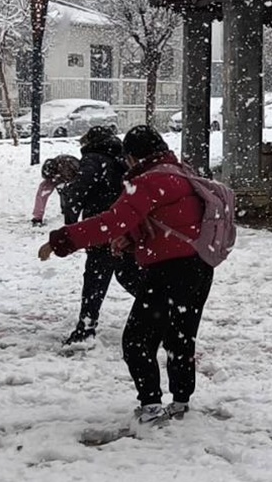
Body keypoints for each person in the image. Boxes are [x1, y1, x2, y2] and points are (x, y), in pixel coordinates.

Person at [38, 126, 216, 424]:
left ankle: (151, 407)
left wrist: (61, 240)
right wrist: (134, 240)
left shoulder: (150, 181)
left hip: (169, 270)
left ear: (133, 156)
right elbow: (175, 219)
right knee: (180, 337)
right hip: (199, 267)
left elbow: (112, 221)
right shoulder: (181, 171)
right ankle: (181, 401)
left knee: (136, 341)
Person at [55, 127, 145, 347]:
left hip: (101, 228)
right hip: (124, 226)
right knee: (128, 274)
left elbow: (78, 192)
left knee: (96, 278)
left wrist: (71, 223)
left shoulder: (92, 159)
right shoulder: (121, 158)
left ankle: (85, 328)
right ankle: (161, 310)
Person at [31, 155, 80, 225]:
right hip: (61, 174)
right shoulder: (53, 167)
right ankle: (38, 216)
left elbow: (74, 183)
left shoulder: (69, 166)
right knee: (43, 189)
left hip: (74, 177)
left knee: (66, 191)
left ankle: (67, 210)